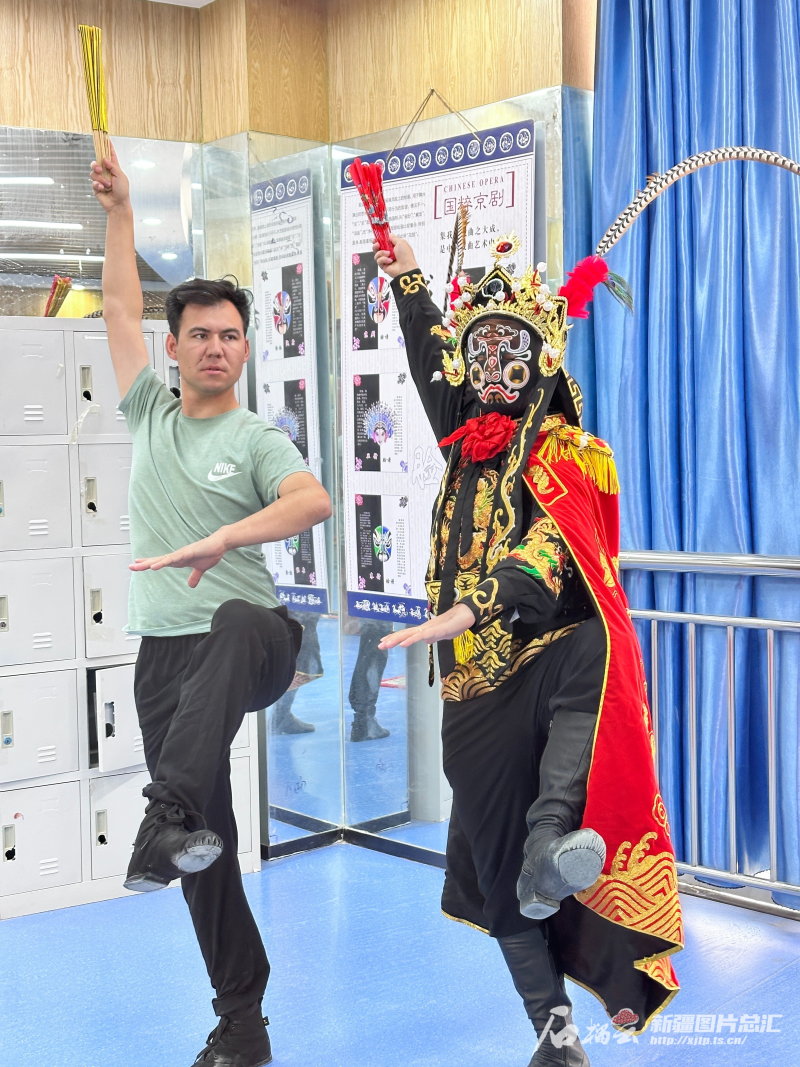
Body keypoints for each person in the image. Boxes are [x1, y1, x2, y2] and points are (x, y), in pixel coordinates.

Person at [376, 234, 683, 1065]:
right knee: (500, 880)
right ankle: (555, 1038)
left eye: (511, 351)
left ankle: (552, 841)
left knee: (592, 647)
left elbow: (550, 551)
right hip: (469, 693)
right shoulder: (462, 437)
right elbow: (427, 353)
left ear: (541, 360)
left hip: (539, 658)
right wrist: (404, 272)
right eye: (480, 350)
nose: (492, 366)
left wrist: (473, 605)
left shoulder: (560, 452)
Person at [91, 147, 331, 1067]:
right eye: (200, 334)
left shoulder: (257, 434)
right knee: (206, 846)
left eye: (231, 334)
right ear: (175, 347)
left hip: (255, 640)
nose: (216, 346)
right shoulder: (150, 414)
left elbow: (311, 501)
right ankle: (243, 1021)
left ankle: (163, 812)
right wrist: (121, 213)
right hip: (167, 654)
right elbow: (119, 308)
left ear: (244, 347)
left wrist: (224, 538)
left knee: (233, 622)